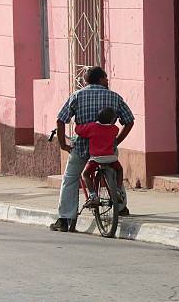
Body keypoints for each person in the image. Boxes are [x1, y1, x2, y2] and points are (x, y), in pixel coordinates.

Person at [50, 66, 134, 233]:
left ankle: (65, 219)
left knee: (71, 178)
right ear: (101, 79)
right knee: (115, 172)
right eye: (106, 78)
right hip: (107, 149)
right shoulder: (114, 97)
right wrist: (116, 140)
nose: (108, 81)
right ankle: (121, 206)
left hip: (82, 147)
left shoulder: (77, 96)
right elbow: (129, 120)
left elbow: (61, 120)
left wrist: (63, 144)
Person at [75, 107, 124, 206]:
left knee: (85, 174)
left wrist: (77, 123)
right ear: (112, 120)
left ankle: (93, 196)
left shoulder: (92, 127)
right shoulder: (114, 129)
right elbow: (114, 132)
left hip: (96, 159)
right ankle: (118, 191)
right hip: (111, 158)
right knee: (119, 170)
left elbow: (78, 130)